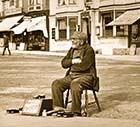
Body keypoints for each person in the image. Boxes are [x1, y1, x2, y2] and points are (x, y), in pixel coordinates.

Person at [51, 31, 99, 116]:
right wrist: (73, 61)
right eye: (72, 39)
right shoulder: (72, 50)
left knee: (75, 84)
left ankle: (75, 111)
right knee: (56, 84)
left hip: (87, 76)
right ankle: (59, 108)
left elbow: (84, 66)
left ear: (81, 41)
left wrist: (71, 65)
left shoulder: (89, 50)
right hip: (72, 75)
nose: (72, 41)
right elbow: (63, 63)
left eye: (74, 39)